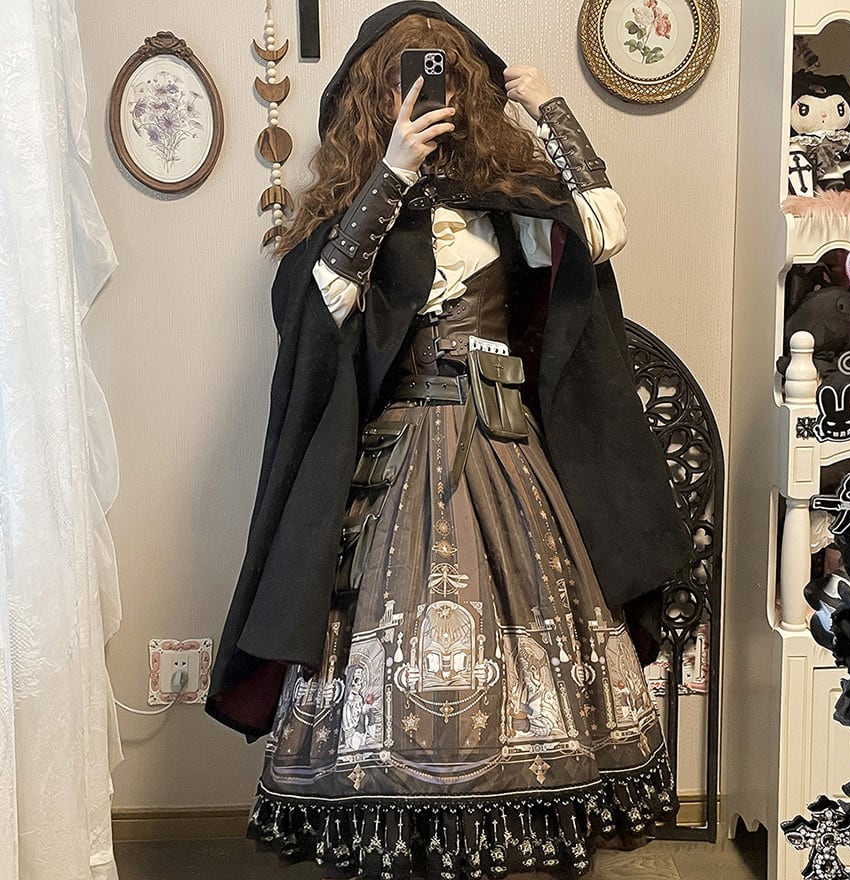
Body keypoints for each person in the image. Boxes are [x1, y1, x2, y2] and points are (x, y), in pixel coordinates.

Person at [206, 3, 692, 877]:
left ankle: (506, 827)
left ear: (467, 91)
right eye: (402, 82)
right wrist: (391, 174)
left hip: (506, 443)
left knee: (529, 619)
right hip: (395, 456)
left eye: (444, 79)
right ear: (376, 97)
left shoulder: (509, 206)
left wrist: (552, 111)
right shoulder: (357, 213)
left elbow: (603, 230)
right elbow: (318, 306)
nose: (426, 95)